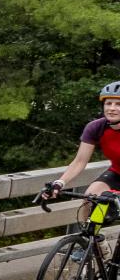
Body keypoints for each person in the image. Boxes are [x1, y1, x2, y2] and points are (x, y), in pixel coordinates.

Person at [41, 81, 120, 219]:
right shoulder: (96, 128)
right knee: (90, 198)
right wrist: (60, 182)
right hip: (117, 173)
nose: (112, 108)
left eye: (118, 104)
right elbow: (79, 162)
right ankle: (93, 239)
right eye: (108, 103)